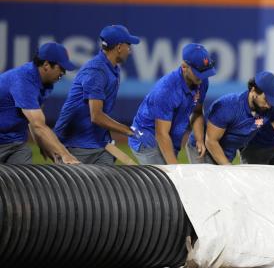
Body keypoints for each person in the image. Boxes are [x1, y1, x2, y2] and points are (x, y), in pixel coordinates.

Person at [54, 25, 141, 165]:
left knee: (108, 186)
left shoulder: (112, 68)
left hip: (98, 144)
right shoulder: (96, 71)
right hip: (74, 145)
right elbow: (96, 116)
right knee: (75, 187)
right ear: (119, 47)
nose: (130, 50)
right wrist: (128, 131)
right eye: (128, 45)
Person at [185, 71, 274, 165]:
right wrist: (227, 168)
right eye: (266, 99)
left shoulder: (271, 108)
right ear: (253, 91)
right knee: (207, 188)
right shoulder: (228, 106)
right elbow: (211, 141)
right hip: (203, 148)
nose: (268, 105)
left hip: (228, 149)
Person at [128, 43, 216, 165]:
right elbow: (161, 134)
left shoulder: (201, 81)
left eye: (205, 72)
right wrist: (175, 167)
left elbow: (197, 112)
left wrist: (199, 140)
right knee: (162, 180)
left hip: (170, 134)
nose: (203, 77)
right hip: (147, 138)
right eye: (199, 72)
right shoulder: (166, 90)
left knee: (171, 174)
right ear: (184, 67)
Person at [0, 42, 79, 164]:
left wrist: (44, 146)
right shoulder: (24, 81)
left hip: (16, 143)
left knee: (24, 177)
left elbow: (33, 123)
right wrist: (65, 154)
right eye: (61, 68)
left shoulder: (45, 84)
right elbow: (38, 125)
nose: (63, 73)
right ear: (46, 64)